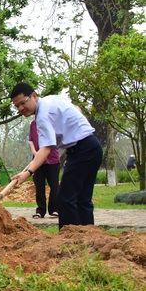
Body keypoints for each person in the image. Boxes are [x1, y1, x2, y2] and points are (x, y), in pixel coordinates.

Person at [10, 83, 103, 230]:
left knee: (65, 199)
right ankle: (88, 240)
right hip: (92, 147)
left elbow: (46, 148)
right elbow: (75, 109)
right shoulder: (51, 100)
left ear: (34, 96)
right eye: (17, 106)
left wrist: (27, 173)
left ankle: (68, 241)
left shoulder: (42, 116)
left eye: (23, 103)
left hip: (83, 150)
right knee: (82, 199)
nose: (21, 108)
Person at [29, 120, 60, 219]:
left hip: (52, 159)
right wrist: (34, 152)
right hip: (37, 160)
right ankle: (40, 210)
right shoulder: (33, 124)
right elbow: (31, 139)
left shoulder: (52, 122)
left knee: (54, 186)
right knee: (39, 186)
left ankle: (54, 209)